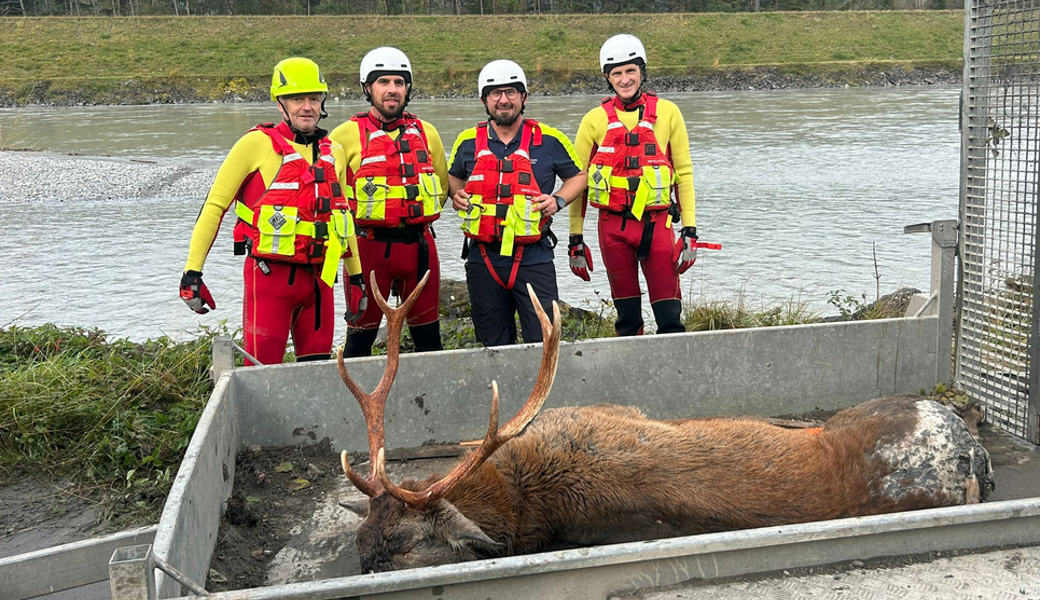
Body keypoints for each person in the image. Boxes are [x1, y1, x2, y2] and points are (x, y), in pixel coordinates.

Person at [179, 57, 364, 365]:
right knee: (261, 376)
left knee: (316, 375)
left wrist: (355, 279)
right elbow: (214, 207)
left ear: (323, 101)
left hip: (321, 282)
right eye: (297, 98)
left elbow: (344, 220)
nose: (307, 106)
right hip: (268, 280)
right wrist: (192, 273)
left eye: (314, 98)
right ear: (280, 103)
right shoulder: (255, 144)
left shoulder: (337, 153)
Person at [448, 59, 587, 347]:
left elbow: (580, 177)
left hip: (533, 257)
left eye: (511, 92)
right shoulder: (467, 141)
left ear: (523, 97)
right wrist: (457, 194)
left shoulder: (549, 139)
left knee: (544, 340)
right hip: (483, 258)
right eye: (495, 93)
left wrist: (558, 200)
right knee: (493, 345)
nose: (503, 100)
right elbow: (451, 177)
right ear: (484, 100)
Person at [570, 34, 701, 336]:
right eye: (617, 73)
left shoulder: (668, 113)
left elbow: (684, 172)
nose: (625, 79)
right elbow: (579, 183)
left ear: (642, 71)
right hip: (613, 229)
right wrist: (575, 239)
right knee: (627, 320)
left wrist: (690, 230)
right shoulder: (592, 120)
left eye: (631, 70)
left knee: (670, 318)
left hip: (657, 225)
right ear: (607, 77)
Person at [330, 47, 449, 357]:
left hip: (419, 250)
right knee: (359, 343)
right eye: (383, 82)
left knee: (429, 342)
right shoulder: (343, 136)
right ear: (368, 88)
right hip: (367, 252)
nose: (392, 89)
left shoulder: (428, 133)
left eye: (399, 82)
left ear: (408, 88)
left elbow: (443, 190)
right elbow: (331, 201)